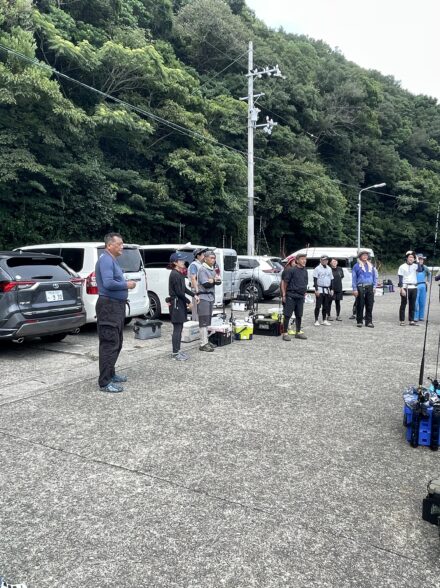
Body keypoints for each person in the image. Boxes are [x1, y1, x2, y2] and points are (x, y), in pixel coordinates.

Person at [95, 232, 136, 393]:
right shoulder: (106, 259)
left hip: (116, 306)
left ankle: (111, 374)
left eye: (122, 244)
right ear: (109, 245)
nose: (122, 247)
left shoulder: (112, 260)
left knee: (117, 342)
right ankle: (104, 382)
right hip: (109, 306)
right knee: (109, 343)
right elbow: (108, 283)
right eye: (119, 244)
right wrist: (127, 285)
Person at [168, 252, 199, 361]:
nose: (183, 262)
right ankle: (175, 353)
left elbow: (184, 289)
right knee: (177, 328)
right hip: (176, 303)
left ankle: (177, 351)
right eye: (181, 260)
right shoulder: (174, 274)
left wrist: (194, 295)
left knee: (180, 327)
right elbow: (179, 292)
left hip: (179, 303)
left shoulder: (179, 273)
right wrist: (188, 302)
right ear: (175, 263)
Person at [197, 250, 220, 352]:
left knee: (207, 321)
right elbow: (206, 284)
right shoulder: (202, 269)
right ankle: (203, 343)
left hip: (210, 297)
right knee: (203, 321)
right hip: (203, 297)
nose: (213, 260)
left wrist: (213, 281)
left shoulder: (213, 269)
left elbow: (218, 281)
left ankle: (206, 340)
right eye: (211, 258)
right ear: (205, 259)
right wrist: (214, 280)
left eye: (214, 258)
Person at [282, 253, 308, 340]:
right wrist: (284, 295)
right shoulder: (291, 270)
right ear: (297, 260)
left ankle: (298, 332)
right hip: (291, 295)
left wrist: (305, 292)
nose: (304, 261)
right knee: (287, 315)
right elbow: (285, 283)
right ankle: (285, 333)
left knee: (299, 315)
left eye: (305, 259)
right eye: (302, 259)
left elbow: (305, 282)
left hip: (300, 296)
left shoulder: (305, 271)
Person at [351, 250, 377, 328]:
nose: (365, 256)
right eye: (363, 255)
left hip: (370, 286)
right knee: (360, 304)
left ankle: (369, 322)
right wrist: (354, 289)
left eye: (366, 255)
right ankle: (359, 321)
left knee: (370, 304)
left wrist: (374, 286)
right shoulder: (356, 266)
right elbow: (354, 278)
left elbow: (374, 276)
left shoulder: (371, 266)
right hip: (360, 286)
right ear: (360, 257)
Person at [398, 251, 418, 326]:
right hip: (405, 287)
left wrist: (417, 260)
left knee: (412, 304)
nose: (411, 258)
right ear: (407, 258)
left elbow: (420, 269)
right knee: (403, 304)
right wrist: (401, 289)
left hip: (414, 287)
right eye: (410, 257)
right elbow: (400, 279)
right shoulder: (402, 266)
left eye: (412, 257)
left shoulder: (415, 266)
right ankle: (402, 320)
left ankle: (411, 320)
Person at [313, 255, 333, 326]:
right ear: (321, 260)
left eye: (326, 260)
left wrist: (332, 289)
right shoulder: (317, 268)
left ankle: (324, 320)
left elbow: (331, 279)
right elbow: (315, 280)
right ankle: (316, 320)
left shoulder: (329, 268)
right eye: (323, 260)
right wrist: (316, 289)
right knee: (318, 306)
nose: (325, 261)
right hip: (320, 288)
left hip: (327, 289)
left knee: (326, 306)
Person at [188, 248, 207, 321]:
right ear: (198, 256)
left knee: (201, 310)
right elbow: (193, 278)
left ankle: (201, 324)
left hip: (202, 289)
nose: (205, 256)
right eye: (203, 254)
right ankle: (196, 324)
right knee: (196, 310)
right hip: (197, 290)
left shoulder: (201, 264)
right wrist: (197, 291)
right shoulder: (194, 265)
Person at [280, 254, 296, 334]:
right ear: (290, 262)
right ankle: (287, 328)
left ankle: (290, 326)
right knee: (287, 313)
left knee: (293, 312)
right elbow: (283, 284)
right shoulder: (286, 271)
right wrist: (284, 295)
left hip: (293, 294)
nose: (296, 263)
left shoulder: (295, 270)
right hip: (287, 294)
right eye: (294, 262)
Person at [414, 254, 430, 322]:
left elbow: (429, 274)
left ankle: (421, 316)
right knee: (415, 302)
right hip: (415, 286)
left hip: (423, 286)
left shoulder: (425, 267)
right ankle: (415, 316)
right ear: (417, 260)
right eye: (419, 259)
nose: (421, 260)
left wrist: (428, 281)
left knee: (422, 302)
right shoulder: (414, 267)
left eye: (422, 259)